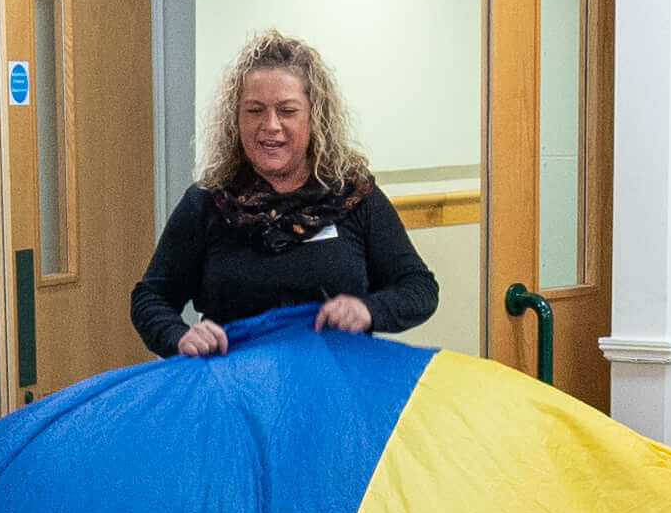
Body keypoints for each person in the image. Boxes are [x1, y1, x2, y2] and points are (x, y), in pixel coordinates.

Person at [130, 36, 440, 357]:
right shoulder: (207, 203)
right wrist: (179, 336)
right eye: (254, 110)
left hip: (337, 389)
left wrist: (369, 310)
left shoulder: (355, 198)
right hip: (237, 392)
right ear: (236, 119)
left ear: (314, 117)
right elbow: (150, 297)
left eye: (287, 110)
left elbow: (420, 288)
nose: (271, 125)